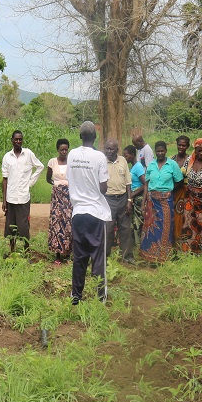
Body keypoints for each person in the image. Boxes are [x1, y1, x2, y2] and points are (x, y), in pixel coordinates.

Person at [66, 122, 111, 303]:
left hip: (77, 213)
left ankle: (76, 296)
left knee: (79, 257)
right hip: (95, 212)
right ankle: (101, 297)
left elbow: (70, 178)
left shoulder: (72, 155)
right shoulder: (99, 157)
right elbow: (103, 188)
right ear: (95, 137)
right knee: (98, 256)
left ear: (80, 136)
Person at [140, 141, 184, 264]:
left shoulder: (172, 165)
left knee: (165, 228)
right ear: (155, 152)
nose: (160, 153)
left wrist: (170, 191)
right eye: (157, 151)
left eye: (162, 151)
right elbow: (146, 184)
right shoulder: (151, 165)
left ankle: (163, 257)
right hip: (152, 201)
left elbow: (179, 181)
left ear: (165, 151)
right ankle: (149, 256)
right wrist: (143, 202)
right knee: (151, 229)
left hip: (166, 201)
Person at [1, 130, 44, 253]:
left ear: (22, 140)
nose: (18, 141)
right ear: (12, 140)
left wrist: (30, 182)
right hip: (11, 197)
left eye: (20, 139)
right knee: (11, 226)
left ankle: (26, 251)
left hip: (24, 197)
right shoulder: (7, 157)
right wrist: (4, 200)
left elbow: (40, 166)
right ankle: (13, 251)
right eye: (16, 139)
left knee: (24, 226)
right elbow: (5, 179)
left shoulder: (28, 154)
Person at [177, 138, 202, 255]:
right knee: (189, 224)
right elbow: (184, 178)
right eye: (199, 151)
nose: (201, 153)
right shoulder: (188, 161)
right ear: (194, 149)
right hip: (190, 198)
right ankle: (190, 251)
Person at [103, 138, 135, 262]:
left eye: (111, 149)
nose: (109, 151)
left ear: (117, 150)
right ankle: (105, 256)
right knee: (108, 229)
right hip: (108, 200)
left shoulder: (123, 161)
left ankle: (127, 256)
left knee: (125, 229)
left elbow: (128, 182)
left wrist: (129, 200)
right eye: (107, 148)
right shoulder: (102, 161)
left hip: (122, 199)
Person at [47, 139, 73, 263]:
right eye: (62, 149)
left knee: (68, 224)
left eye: (66, 149)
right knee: (56, 224)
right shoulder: (52, 162)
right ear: (57, 150)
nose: (64, 151)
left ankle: (67, 254)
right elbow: (48, 178)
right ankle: (57, 255)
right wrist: (57, 185)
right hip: (57, 197)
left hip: (68, 197)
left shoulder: (71, 162)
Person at [171, 135, 192, 244]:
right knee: (175, 216)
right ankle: (175, 241)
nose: (181, 147)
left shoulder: (190, 160)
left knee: (186, 216)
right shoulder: (172, 159)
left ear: (187, 146)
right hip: (175, 191)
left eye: (183, 145)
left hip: (187, 192)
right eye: (179, 145)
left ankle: (185, 242)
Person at [124, 144, 146, 244]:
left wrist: (133, 194)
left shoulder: (138, 167)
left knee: (139, 223)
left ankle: (140, 244)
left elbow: (145, 184)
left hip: (138, 199)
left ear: (132, 155)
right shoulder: (132, 167)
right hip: (133, 198)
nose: (125, 158)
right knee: (133, 223)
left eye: (126, 156)